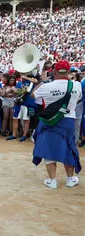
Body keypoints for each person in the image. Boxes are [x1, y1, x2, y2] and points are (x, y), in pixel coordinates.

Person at [32, 60, 81, 189]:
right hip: (68, 120)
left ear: (54, 71)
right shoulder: (76, 85)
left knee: (49, 149)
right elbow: (78, 98)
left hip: (50, 120)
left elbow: (33, 95)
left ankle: (52, 180)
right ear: (69, 72)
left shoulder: (46, 86)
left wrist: (42, 82)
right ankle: (70, 179)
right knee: (69, 148)